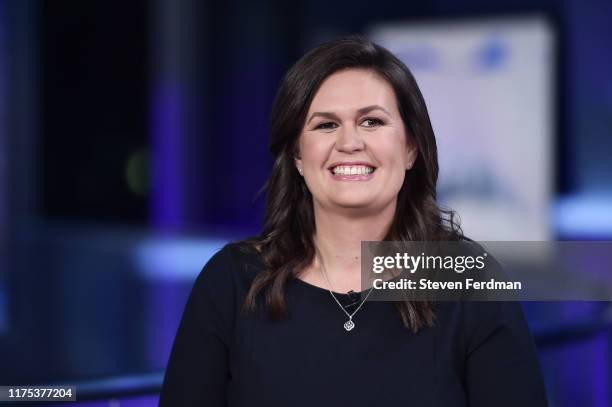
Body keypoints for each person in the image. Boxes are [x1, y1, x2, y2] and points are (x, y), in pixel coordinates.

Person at [158, 35, 548, 406]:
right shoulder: (231, 282)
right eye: (326, 125)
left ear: (411, 147)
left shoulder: (470, 282)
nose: (349, 143)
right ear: (297, 155)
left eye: (372, 122)